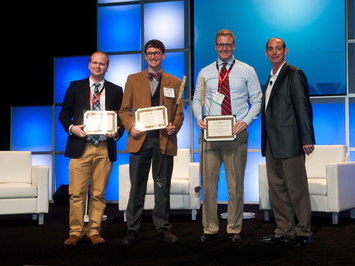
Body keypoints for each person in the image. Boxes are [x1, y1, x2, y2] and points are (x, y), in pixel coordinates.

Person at [192, 29, 262, 243]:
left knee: (235, 184)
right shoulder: (205, 72)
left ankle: (234, 229)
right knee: (209, 185)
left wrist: (245, 121)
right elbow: (197, 100)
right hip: (209, 136)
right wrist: (198, 117)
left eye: (228, 44)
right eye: (220, 45)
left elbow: (257, 100)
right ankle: (210, 229)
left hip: (236, 134)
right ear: (215, 46)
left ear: (234, 46)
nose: (224, 48)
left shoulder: (247, 70)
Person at [119, 39, 184, 245]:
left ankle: (163, 228)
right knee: (136, 187)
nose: (153, 56)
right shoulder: (133, 79)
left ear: (163, 55)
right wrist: (131, 126)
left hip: (164, 141)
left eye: (157, 53)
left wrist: (175, 125)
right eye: (149, 53)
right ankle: (132, 229)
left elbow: (179, 113)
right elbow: (124, 110)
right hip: (140, 140)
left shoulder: (174, 81)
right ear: (145, 56)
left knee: (161, 188)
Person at [59, 51, 124, 246]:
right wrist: (72, 128)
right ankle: (76, 232)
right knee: (77, 193)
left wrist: (117, 131)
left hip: (104, 147)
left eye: (102, 64)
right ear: (89, 65)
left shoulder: (116, 90)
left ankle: (94, 231)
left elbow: (121, 117)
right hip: (81, 146)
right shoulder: (75, 87)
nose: (98, 67)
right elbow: (64, 113)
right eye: (95, 63)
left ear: (107, 67)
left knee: (98, 194)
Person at [259, 37, 315, 247]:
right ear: (266, 53)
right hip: (272, 144)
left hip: (291, 142)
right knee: (277, 190)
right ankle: (284, 230)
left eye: (278, 49)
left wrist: (307, 139)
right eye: (271, 49)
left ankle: (303, 231)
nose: (274, 52)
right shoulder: (270, 77)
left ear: (285, 51)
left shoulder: (294, 74)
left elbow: (303, 108)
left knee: (297, 189)